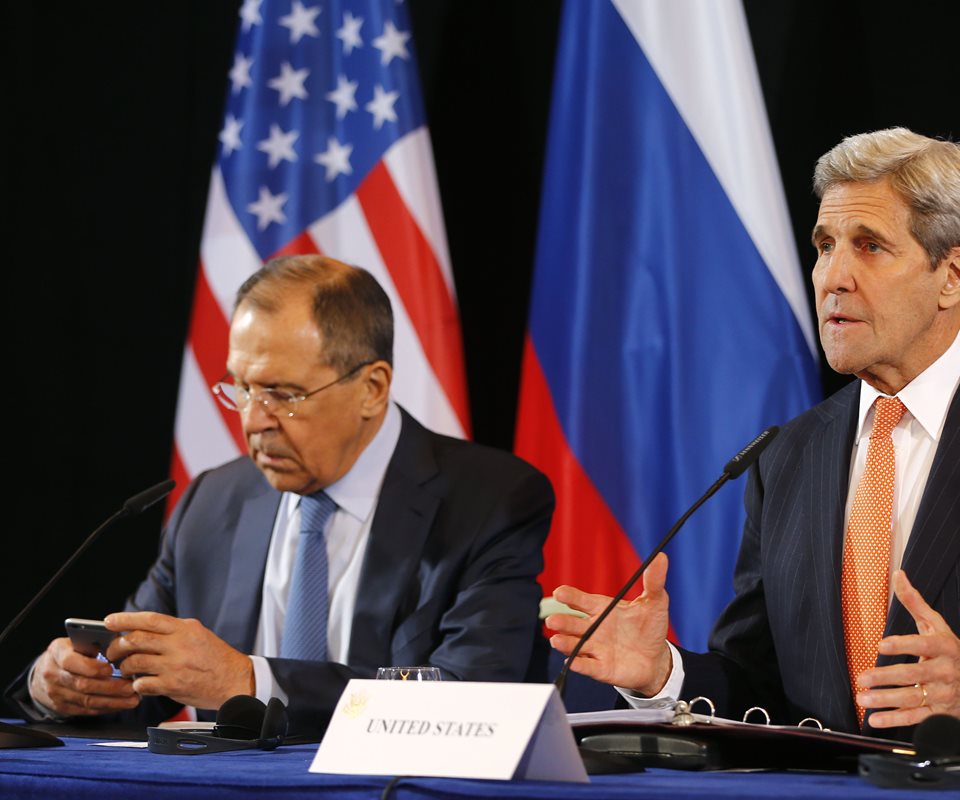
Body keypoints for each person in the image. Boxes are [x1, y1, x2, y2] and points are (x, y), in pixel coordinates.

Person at [546, 128, 960, 758]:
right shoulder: (786, 457)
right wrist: (665, 675)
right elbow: (762, 688)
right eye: (825, 245)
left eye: (870, 247)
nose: (832, 276)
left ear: (954, 275)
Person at [9, 255, 553, 734]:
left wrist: (248, 680)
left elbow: (471, 700)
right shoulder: (212, 502)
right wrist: (64, 684)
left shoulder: (490, 502)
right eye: (241, 388)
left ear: (372, 388)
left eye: (282, 394)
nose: (254, 420)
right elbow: (136, 690)